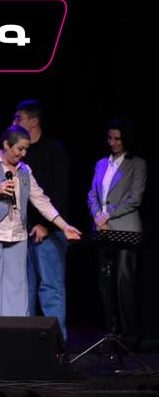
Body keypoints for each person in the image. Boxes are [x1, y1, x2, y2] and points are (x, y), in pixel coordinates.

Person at [0, 126, 81, 320]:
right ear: (6, 144)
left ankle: (13, 332)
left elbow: (41, 201)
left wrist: (65, 226)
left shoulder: (25, 170)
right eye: (19, 149)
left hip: (17, 234)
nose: (23, 153)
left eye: (26, 149)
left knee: (16, 288)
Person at [13, 101, 71, 340]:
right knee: (24, 290)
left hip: (49, 231)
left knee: (50, 287)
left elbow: (59, 192)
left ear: (34, 121)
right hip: (22, 230)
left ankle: (57, 344)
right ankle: (29, 344)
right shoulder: (19, 154)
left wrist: (45, 225)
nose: (15, 123)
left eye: (19, 118)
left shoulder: (53, 150)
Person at [88, 118, 146, 345]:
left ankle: (129, 335)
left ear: (126, 140)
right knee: (105, 280)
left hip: (125, 229)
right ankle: (110, 333)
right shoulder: (102, 163)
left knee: (123, 281)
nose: (112, 142)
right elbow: (92, 194)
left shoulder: (137, 164)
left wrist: (107, 216)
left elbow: (135, 198)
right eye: (110, 138)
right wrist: (97, 215)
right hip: (102, 230)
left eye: (117, 139)